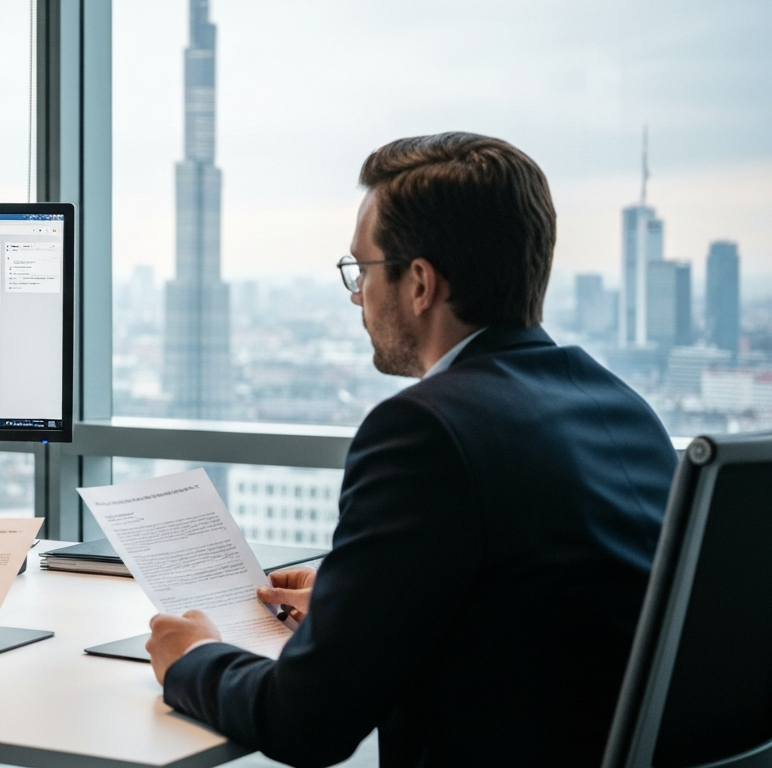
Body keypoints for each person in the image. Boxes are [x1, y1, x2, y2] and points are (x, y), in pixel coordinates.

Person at [145, 133, 678, 767]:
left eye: (362, 271)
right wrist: (363, 600)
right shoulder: (618, 406)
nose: (355, 296)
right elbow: (543, 611)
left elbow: (306, 723)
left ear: (420, 283)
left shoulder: (424, 430)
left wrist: (195, 658)